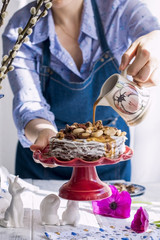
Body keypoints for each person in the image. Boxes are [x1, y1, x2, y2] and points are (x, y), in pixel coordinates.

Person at [2, 0, 160, 180]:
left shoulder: (119, 9)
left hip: (108, 163)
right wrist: (44, 133)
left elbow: (153, 33)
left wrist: (156, 41)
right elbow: (29, 104)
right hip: (45, 169)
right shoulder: (21, 30)